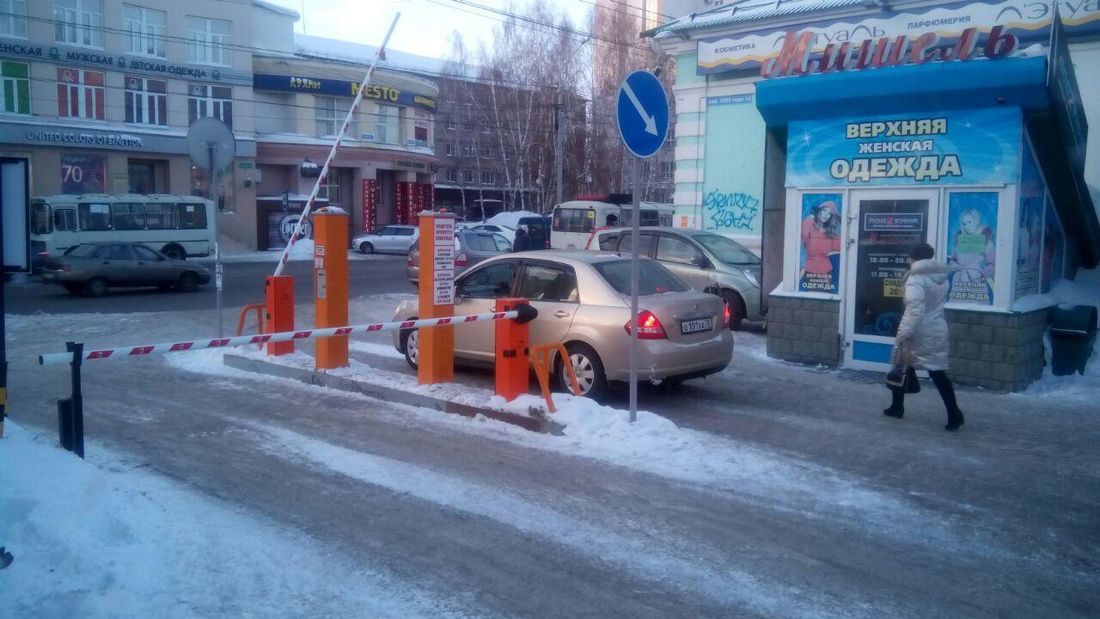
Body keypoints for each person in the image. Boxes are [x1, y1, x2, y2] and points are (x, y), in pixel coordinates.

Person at [883, 243, 966, 431]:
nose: (908, 260)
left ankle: (897, 407)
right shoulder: (941, 278)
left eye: (910, 256)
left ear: (915, 258)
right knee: (936, 372)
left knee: (900, 364)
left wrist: (904, 333)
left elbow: (915, 310)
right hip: (936, 326)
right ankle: (954, 413)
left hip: (918, 330)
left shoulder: (915, 279)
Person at [800, 200, 841, 291]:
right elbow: (803, 236)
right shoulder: (810, 224)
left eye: (829, 213)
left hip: (826, 271)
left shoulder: (830, 233)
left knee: (824, 295)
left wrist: (841, 220)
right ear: (820, 211)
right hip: (811, 269)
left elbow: (840, 247)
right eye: (824, 210)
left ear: (831, 217)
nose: (826, 215)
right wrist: (809, 219)